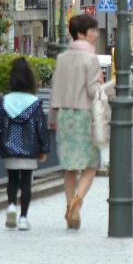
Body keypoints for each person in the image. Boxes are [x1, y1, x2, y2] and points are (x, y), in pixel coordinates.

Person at [48, 14, 105, 230]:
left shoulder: (62, 58)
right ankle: (77, 201)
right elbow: (93, 91)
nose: (95, 34)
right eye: (93, 30)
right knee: (91, 165)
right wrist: (110, 87)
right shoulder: (90, 59)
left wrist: (52, 119)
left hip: (64, 115)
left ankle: (71, 207)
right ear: (82, 33)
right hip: (84, 116)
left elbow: (55, 90)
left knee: (70, 167)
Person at [0, 58, 49, 231]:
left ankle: (10, 207)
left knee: (12, 180)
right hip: (30, 148)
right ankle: (23, 218)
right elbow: (40, 127)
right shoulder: (35, 103)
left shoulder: (5, 102)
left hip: (9, 147)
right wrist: (44, 148)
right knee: (26, 183)